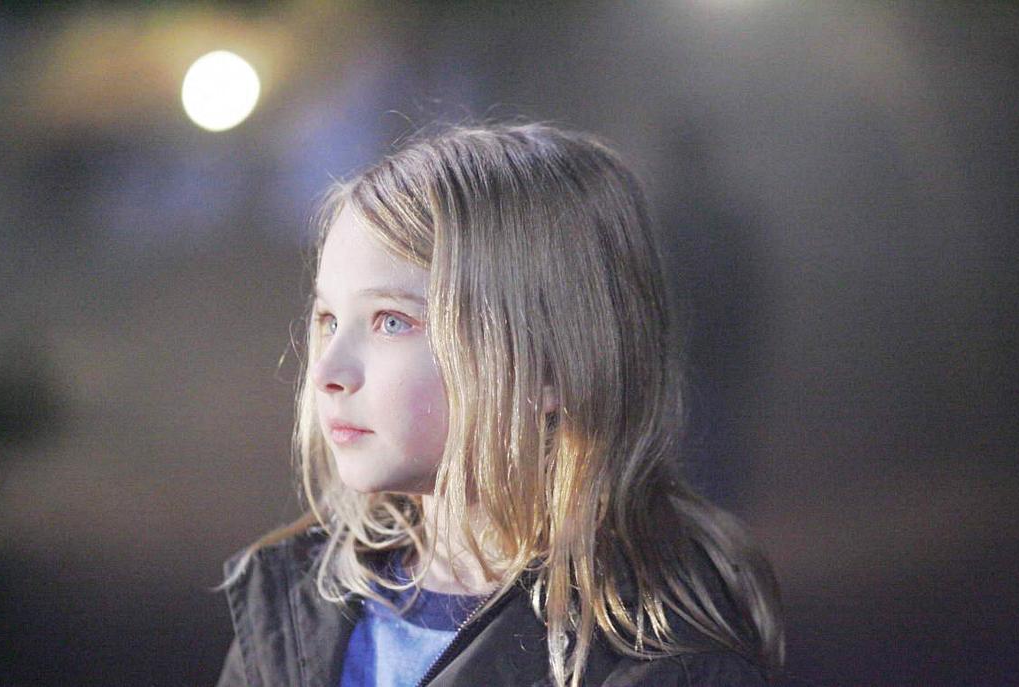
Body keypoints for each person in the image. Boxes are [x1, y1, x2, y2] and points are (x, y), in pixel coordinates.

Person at [215, 122, 784, 686]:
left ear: (550, 365)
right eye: (328, 319)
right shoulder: (289, 618)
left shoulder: (662, 667)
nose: (326, 373)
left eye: (392, 322)